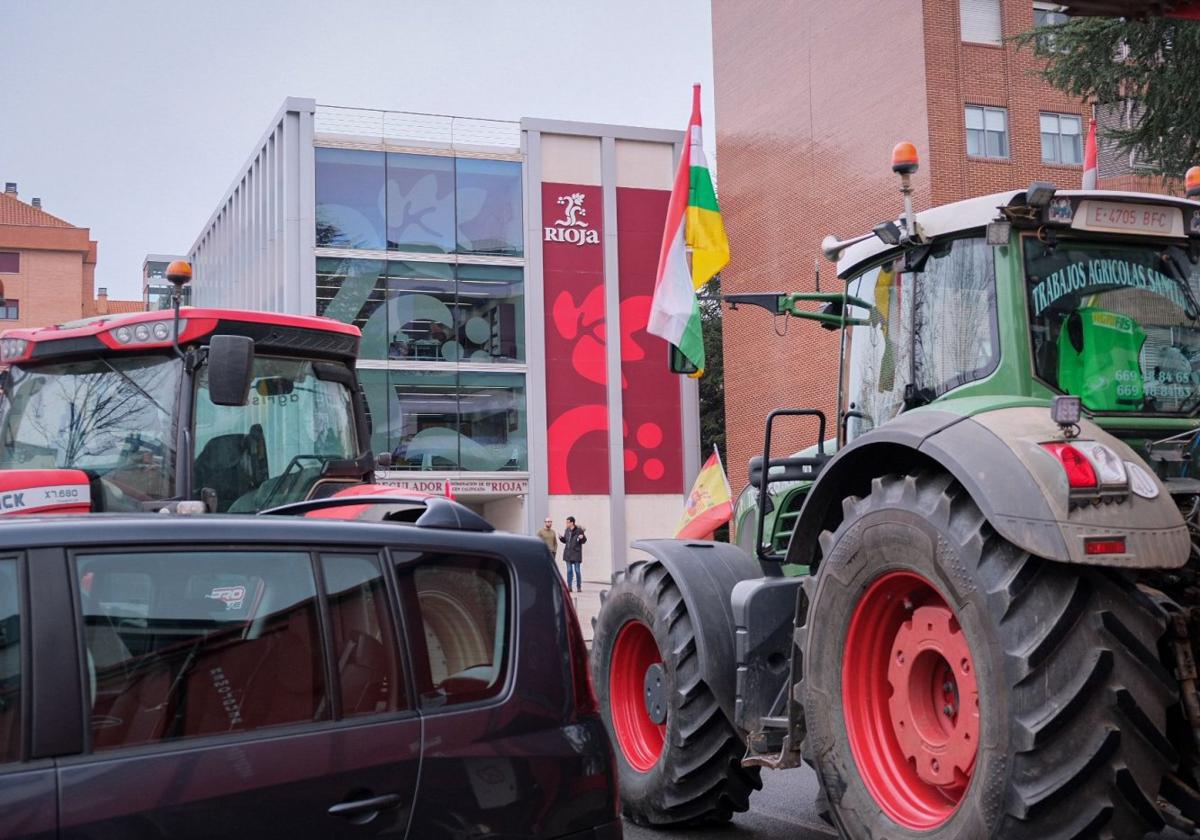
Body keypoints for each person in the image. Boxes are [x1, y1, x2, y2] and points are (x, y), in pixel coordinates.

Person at [559, 516, 586, 593]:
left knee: (577, 571)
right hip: (568, 553)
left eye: (567, 522)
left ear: (572, 523)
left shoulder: (579, 530)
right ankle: (569, 586)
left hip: (576, 553)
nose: (566, 524)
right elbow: (565, 541)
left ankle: (578, 586)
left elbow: (584, 540)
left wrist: (582, 537)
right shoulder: (567, 530)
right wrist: (561, 538)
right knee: (569, 570)